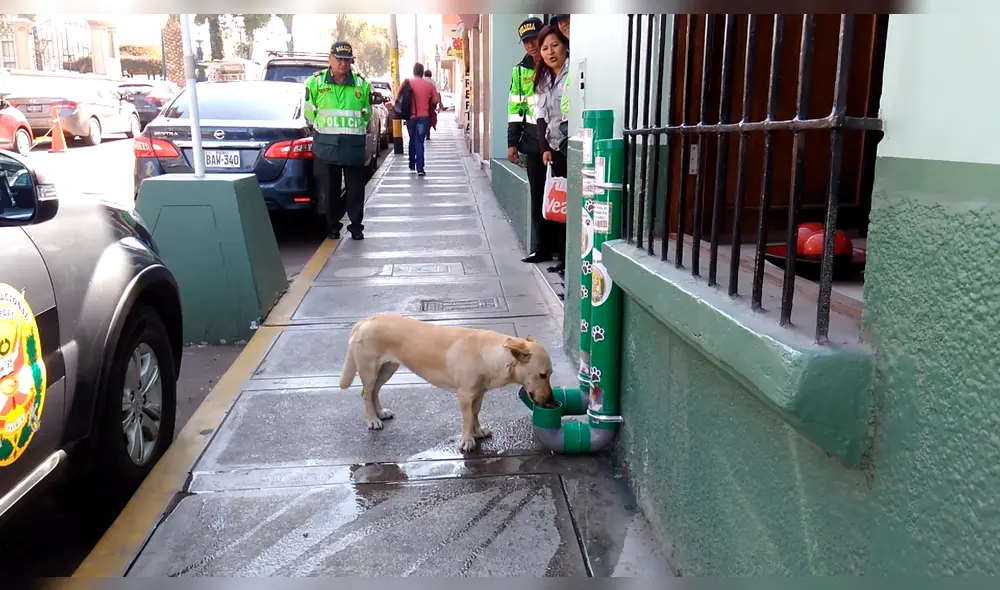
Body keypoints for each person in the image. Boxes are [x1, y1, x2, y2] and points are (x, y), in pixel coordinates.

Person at [304, 40, 373, 240]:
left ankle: (356, 227)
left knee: (355, 190)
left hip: (353, 145)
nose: (343, 63)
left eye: (347, 60)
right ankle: (332, 226)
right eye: (339, 59)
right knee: (330, 190)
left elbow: (366, 114)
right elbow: (310, 114)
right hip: (327, 145)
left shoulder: (362, 84)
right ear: (330, 59)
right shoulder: (314, 83)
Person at [508, 17, 554, 266]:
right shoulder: (519, 71)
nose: (531, 46)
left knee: (560, 195)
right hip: (533, 141)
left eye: (534, 40)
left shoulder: (555, 65)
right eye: (526, 42)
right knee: (539, 197)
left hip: (557, 140)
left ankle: (561, 249)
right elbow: (515, 109)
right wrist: (512, 142)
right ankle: (542, 248)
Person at [534, 24, 571, 278]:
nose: (550, 52)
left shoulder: (573, 72)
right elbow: (540, 117)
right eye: (545, 48)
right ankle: (563, 258)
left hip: (573, 147)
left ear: (565, 46)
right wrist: (544, 147)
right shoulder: (543, 79)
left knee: (572, 207)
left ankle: (569, 261)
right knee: (560, 207)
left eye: (555, 45)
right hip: (555, 148)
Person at [403, 62, 440, 176]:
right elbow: (436, 99)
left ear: (414, 71)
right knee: (420, 141)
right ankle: (420, 168)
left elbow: (399, 96)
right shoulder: (428, 85)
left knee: (412, 139)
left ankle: (411, 164)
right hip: (423, 117)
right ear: (422, 72)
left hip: (410, 116)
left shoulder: (407, 83)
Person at [423, 69, 438, 140]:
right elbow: (436, 94)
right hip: (431, 102)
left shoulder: (422, 81)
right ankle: (428, 131)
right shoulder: (433, 82)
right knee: (430, 116)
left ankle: (425, 131)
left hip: (423, 102)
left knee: (424, 116)